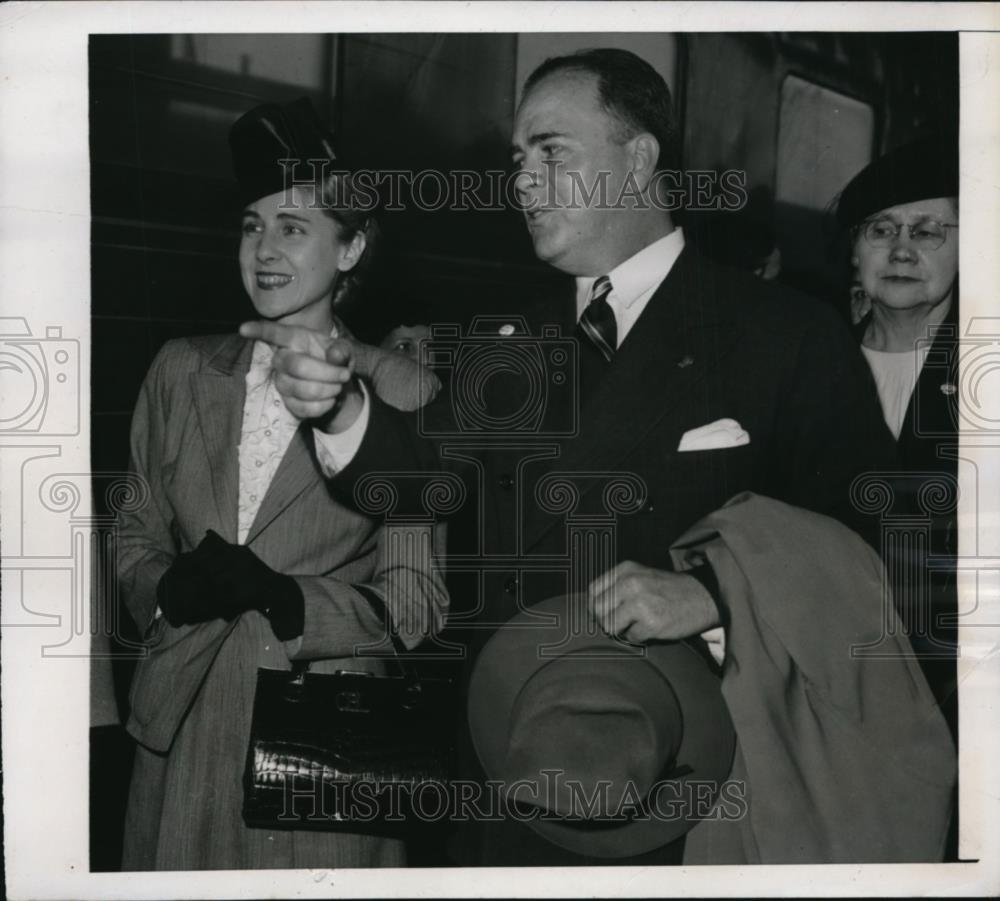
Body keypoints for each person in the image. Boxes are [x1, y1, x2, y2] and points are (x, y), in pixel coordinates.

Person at [242, 50, 913, 864]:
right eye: (518, 159)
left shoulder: (784, 335)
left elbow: (876, 537)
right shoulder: (507, 342)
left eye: (551, 151)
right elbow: (422, 479)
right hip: (514, 758)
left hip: (689, 781)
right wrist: (340, 407)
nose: (523, 180)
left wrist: (714, 591)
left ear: (637, 160)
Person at [117, 98, 448, 871]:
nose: (263, 248)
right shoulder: (180, 369)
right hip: (179, 721)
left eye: (294, 227)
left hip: (322, 737)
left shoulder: (405, 393)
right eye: (251, 224)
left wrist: (293, 601)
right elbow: (133, 533)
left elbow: (418, 600)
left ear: (353, 246)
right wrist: (170, 591)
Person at [836, 137, 960, 734]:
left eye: (929, 231)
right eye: (881, 231)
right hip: (830, 666)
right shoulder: (808, 360)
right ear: (855, 251)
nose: (902, 251)